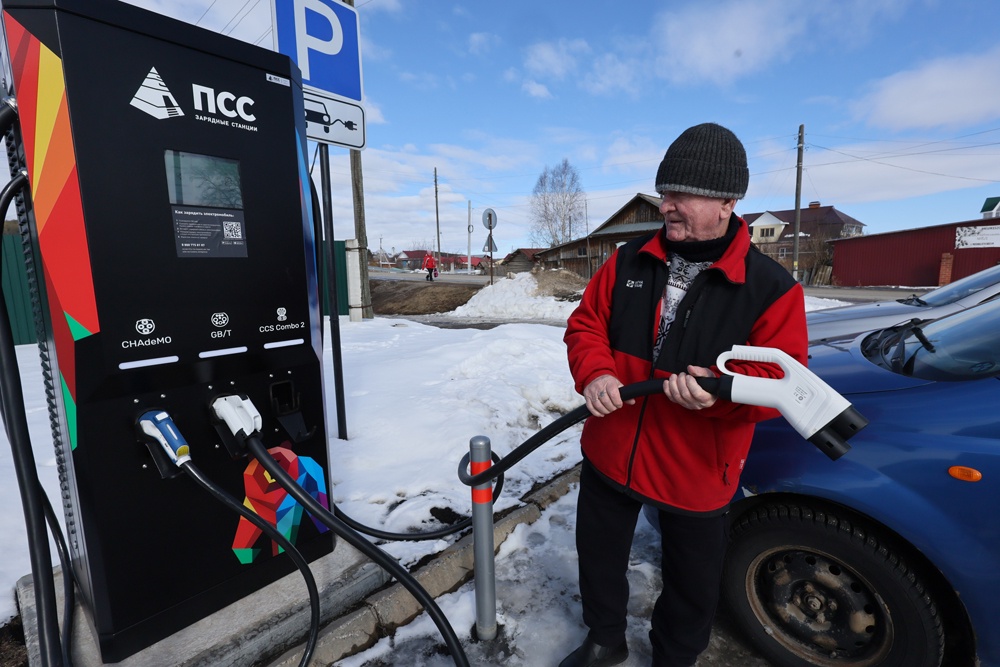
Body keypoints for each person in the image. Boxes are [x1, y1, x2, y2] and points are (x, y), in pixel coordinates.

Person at [560, 123, 808, 667]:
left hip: (696, 467)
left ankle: (675, 658)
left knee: (692, 583)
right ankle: (604, 638)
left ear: (726, 202)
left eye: (682, 196)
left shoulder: (770, 289)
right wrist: (597, 374)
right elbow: (585, 327)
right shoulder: (626, 260)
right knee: (598, 558)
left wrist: (720, 398)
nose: (667, 206)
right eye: (665, 192)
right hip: (611, 446)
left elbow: (785, 384)